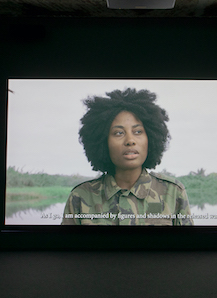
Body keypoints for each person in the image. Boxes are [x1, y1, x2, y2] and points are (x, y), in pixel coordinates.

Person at [61, 88, 193, 225]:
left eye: (138, 131)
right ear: (102, 141)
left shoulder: (173, 192)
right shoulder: (80, 196)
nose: (130, 140)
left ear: (151, 138)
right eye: (118, 133)